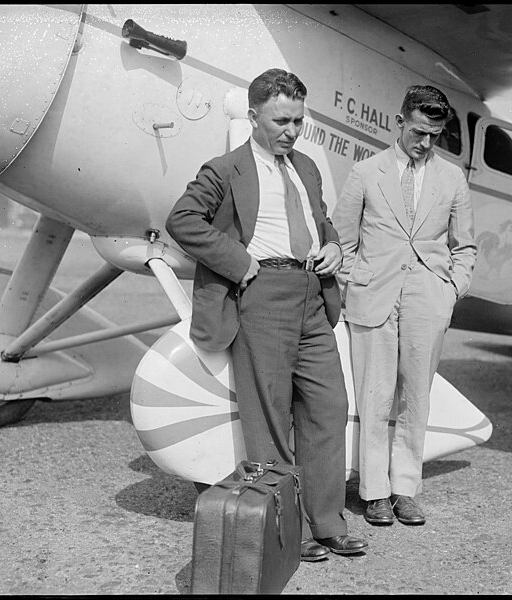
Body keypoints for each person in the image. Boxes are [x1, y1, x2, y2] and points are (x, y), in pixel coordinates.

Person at [166, 68, 367, 561]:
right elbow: (182, 220)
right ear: (253, 117)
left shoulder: (308, 167)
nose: (292, 132)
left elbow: (321, 223)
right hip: (262, 293)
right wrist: (238, 261)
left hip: (312, 295)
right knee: (270, 417)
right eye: (281, 121)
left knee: (329, 407)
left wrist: (335, 249)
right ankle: (287, 529)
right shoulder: (224, 169)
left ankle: (327, 523)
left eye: (298, 121)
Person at [332, 84, 477, 526]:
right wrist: (357, 279)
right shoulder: (364, 172)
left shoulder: (453, 178)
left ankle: (405, 489)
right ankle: (374, 491)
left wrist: (449, 290)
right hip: (373, 294)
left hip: (427, 300)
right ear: (399, 121)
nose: (425, 143)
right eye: (418, 132)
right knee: (374, 398)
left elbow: (465, 246)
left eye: (434, 136)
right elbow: (341, 240)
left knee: (416, 399)